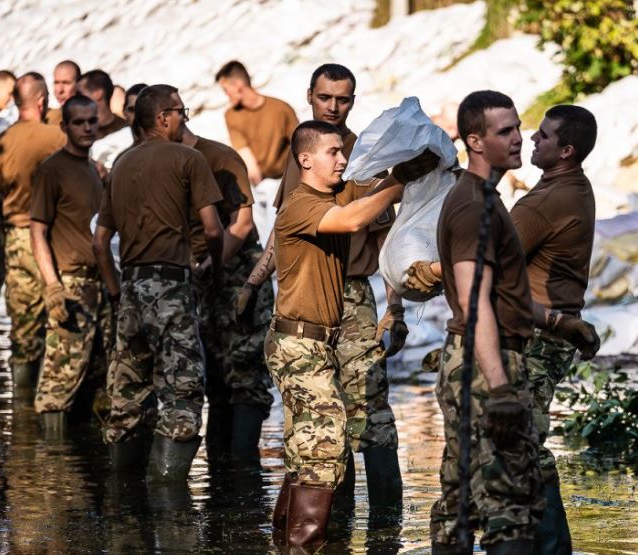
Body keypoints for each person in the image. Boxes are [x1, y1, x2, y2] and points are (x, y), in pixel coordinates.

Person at [238, 64, 407, 523]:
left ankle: (385, 524)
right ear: (310, 96)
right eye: (325, 98)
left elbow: (387, 240)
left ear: (354, 101)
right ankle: (325, 525)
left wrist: (394, 306)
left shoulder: (362, 156)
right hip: (302, 294)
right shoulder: (308, 149)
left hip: (351, 295)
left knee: (366, 407)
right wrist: (255, 282)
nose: (334, 107)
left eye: (343, 100)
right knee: (311, 422)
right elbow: (284, 224)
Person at [266, 120, 430, 551]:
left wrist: (408, 168)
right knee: (325, 446)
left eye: (344, 152)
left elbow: (372, 194)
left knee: (310, 447)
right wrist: (400, 182)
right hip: (298, 343)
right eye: (333, 152)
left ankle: (287, 544)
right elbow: (355, 219)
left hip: (317, 342)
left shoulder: (337, 191)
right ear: (305, 160)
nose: (343, 159)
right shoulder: (300, 204)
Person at [430, 90, 543, 555]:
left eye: (518, 128)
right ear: (475, 140)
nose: (517, 139)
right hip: (484, 364)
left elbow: (497, 297)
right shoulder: (473, 205)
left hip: (471, 356)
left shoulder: (481, 199)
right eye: (504, 131)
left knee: (458, 502)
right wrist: (500, 387)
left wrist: (552, 322)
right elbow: (475, 304)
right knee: (508, 506)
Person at [92, 84, 224, 480]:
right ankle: (169, 501)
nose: (185, 119)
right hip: (172, 286)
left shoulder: (121, 164)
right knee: (182, 393)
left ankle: (124, 501)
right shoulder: (189, 158)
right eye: (181, 111)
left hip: (131, 288)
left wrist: (117, 292)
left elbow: (100, 243)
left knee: (127, 394)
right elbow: (214, 231)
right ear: (163, 117)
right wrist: (213, 270)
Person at [511, 104, 601, 555]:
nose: (531, 139)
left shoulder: (547, 202)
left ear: (566, 150)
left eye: (542, 137)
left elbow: (493, 273)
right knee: (521, 437)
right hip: (551, 327)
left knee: (524, 439)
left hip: (543, 334)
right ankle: (542, 553)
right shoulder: (569, 188)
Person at [180, 112, 272, 453]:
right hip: (200, 275)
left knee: (245, 372)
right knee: (216, 376)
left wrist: (211, 266)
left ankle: (244, 469)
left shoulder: (219, 157)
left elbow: (243, 223)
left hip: (237, 271)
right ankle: (221, 473)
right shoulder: (161, 161)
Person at [30, 94, 113, 436]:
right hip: (71, 284)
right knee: (58, 377)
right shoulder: (51, 169)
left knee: (99, 373)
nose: (87, 128)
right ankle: (51, 467)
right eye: (78, 122)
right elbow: (37, 231)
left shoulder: (93, 169)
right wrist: (52, 286)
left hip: (100, 282)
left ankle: (84, 461)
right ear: (64, 126)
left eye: (92, 121)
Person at [0, 73, 66, 392]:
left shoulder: (1, 142)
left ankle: (21, 412)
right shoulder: (57, 138)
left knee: (22, 328)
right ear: (41, 101)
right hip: (52, 238)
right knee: (59, 321)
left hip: (15, 236)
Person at [216, 60, 299, 185]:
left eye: (226, 89)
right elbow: (246, 156)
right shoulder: (231, 115)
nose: (226, 94)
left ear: (238, 86)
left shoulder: (281, 109)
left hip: (289, 178)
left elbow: (301, 147)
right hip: (262, 183)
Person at [77, 69, 130, 170]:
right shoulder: (78, 133)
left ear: (98, 94)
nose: (76, 100)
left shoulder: (129, 131)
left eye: (80, 94)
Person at [46, 60, 81, 126]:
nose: (60, 90)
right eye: (56, 83)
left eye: (66, 83)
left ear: (79, 84)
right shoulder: (49, 118)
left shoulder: (92, 118)